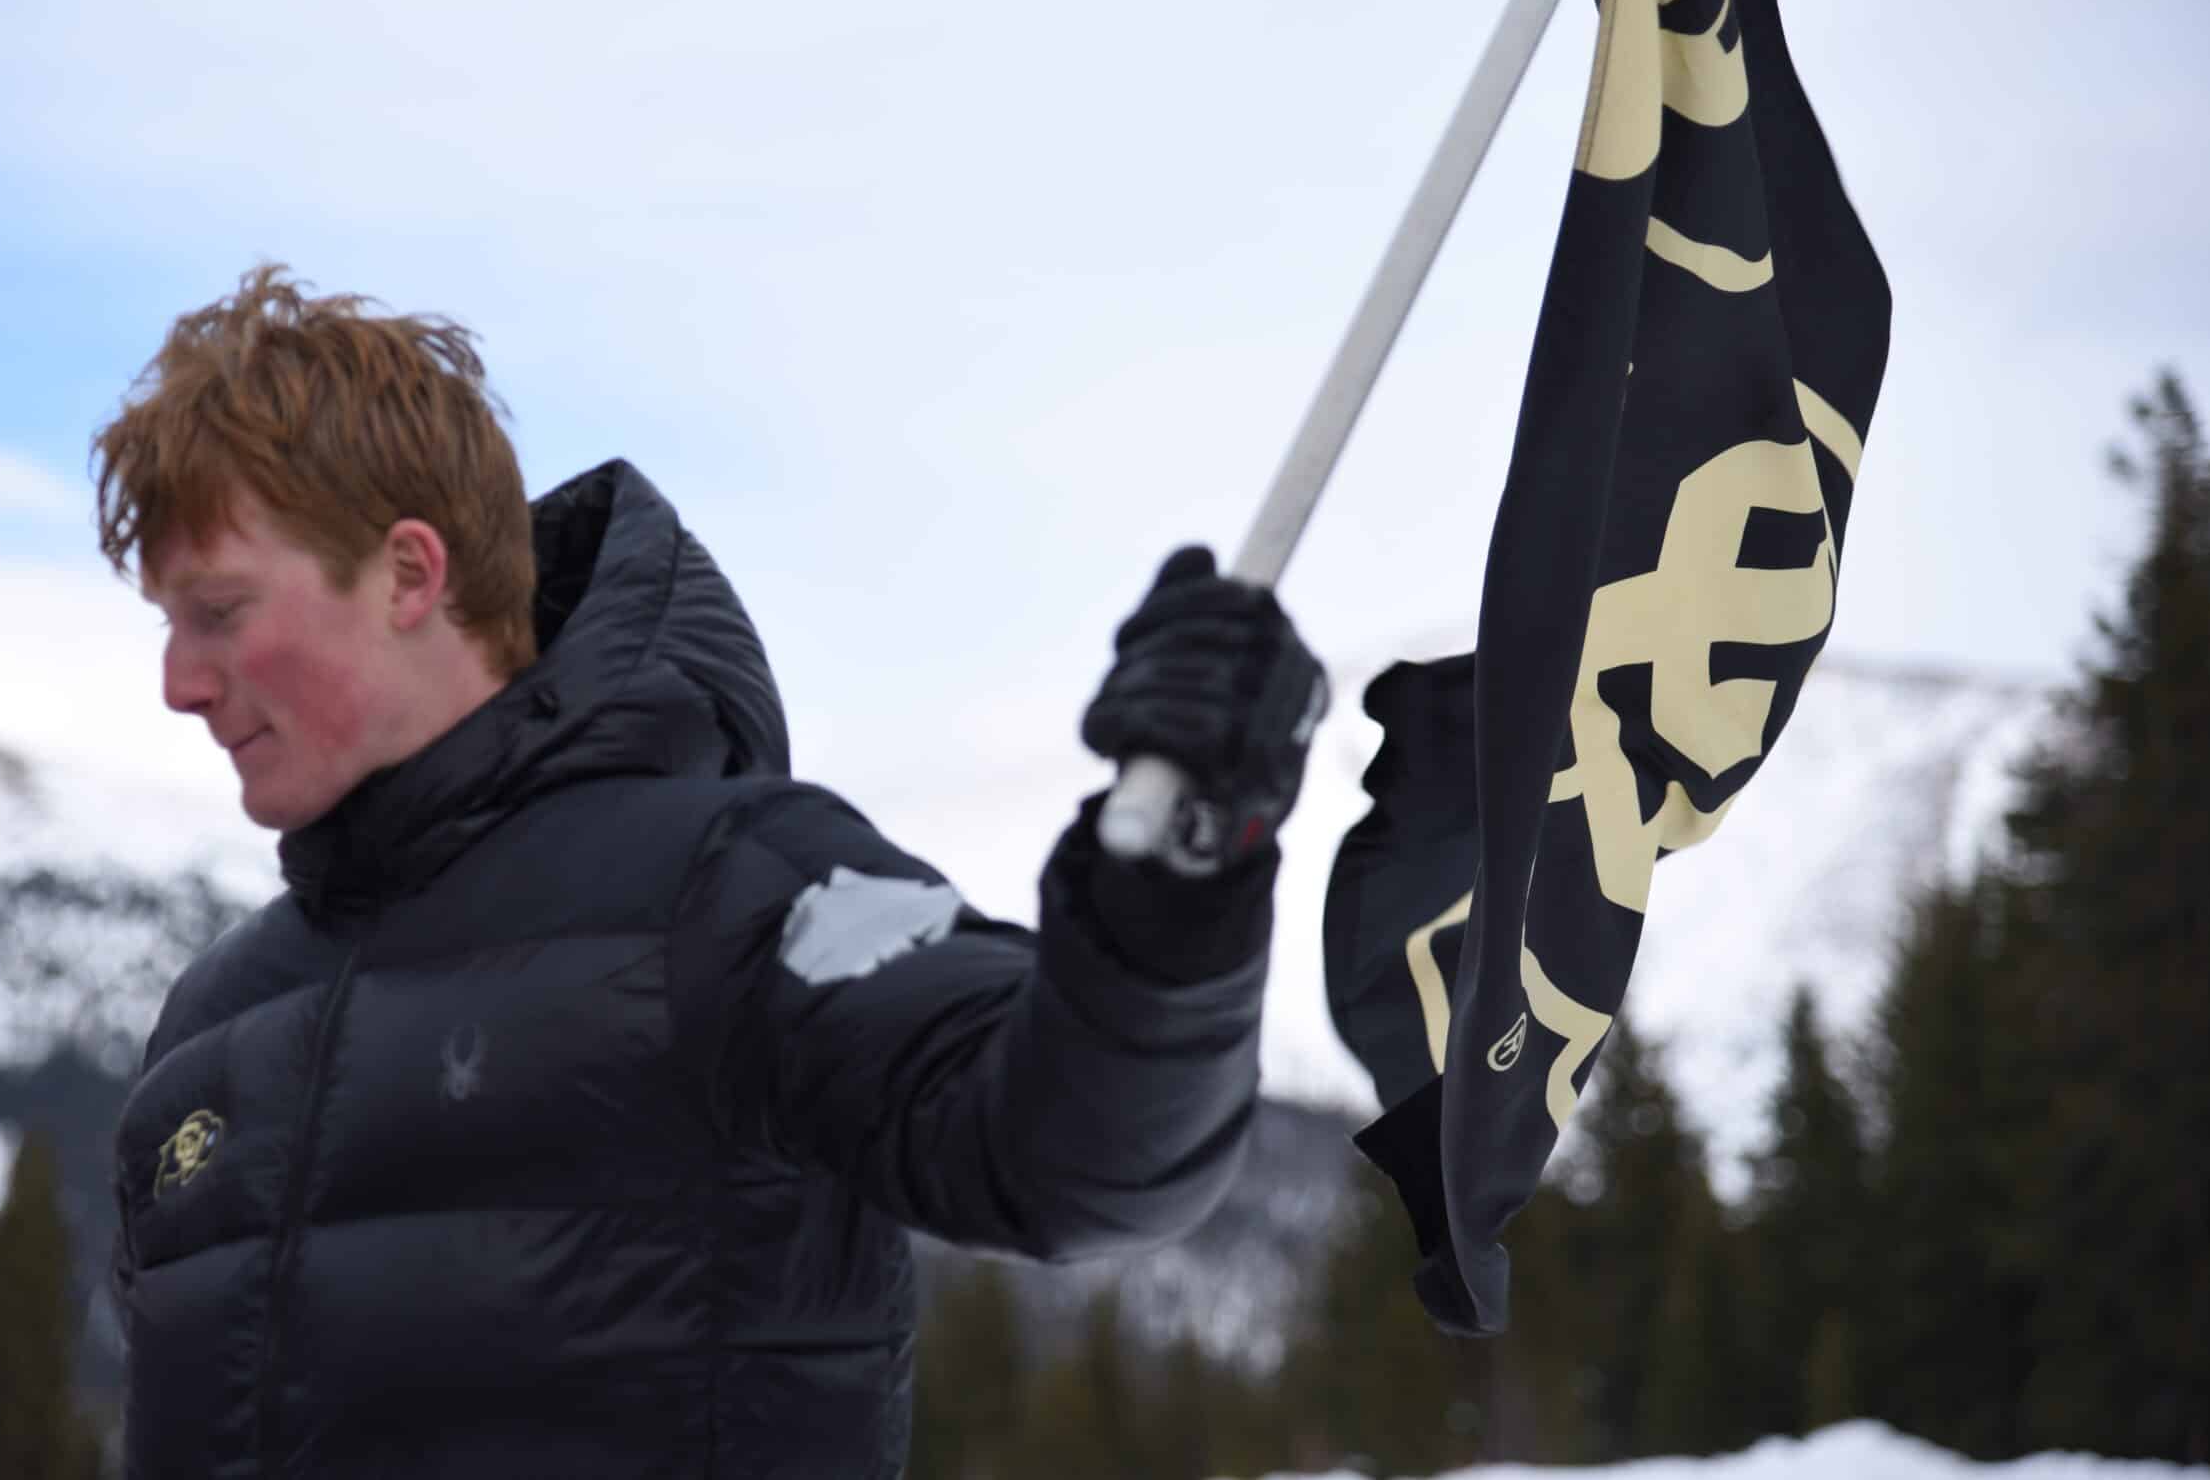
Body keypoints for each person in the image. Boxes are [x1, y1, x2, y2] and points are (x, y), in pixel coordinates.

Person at [96, 265, 1326, 1479]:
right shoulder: (210, 1023)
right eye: (167, 623)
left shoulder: (733, 890)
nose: (177, 682)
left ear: (411, 574)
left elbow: (1077, 1154)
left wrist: (1182, 868)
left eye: (219, 611)